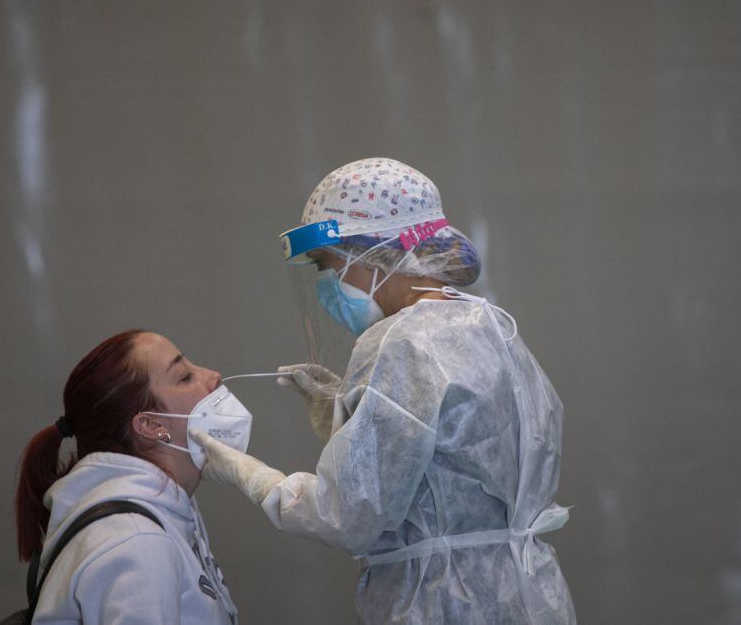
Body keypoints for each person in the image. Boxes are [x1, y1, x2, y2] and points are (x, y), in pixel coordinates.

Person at [192, 158, 576, 623]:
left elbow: (349, 515)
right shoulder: (488, 325)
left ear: (377, 253)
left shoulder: (399, 341)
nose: (327, 286)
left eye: (330, 266)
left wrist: (253, 477)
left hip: (443, 603)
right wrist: (348, 412)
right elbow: (455, 454)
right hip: (526, 595)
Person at [14, 329, 243, 624]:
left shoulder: (159, 510)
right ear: (149, 425)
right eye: (185, 377)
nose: (213, 376)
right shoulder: (138, 542)